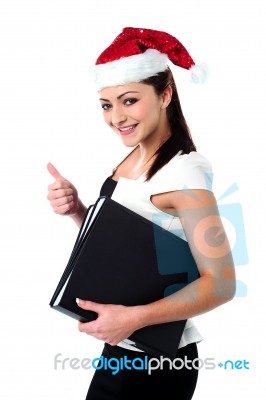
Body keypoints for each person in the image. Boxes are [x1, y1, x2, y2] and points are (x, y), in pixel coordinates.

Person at [47, 27, 236, 400]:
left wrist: (133, 319)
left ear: (165, 94)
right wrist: (78, 211)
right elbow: (132, 245)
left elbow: (222, 283)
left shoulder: (185, 173)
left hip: (157, 363)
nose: (116, 117)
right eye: (107, 104)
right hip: (123, 349)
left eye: (129, 101)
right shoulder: (134, 156)